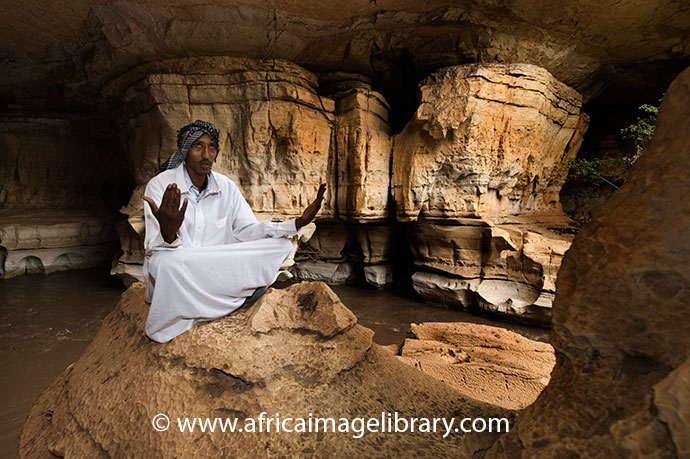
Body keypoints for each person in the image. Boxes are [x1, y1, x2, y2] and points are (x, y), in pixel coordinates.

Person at [142, 120, 326, 343]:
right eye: (198, 146)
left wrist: (295, 223)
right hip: (182, 262)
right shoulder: (160, 185)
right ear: (184, 150)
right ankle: (234, 295)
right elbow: (153, 246)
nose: (206, 155)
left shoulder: (226, 186)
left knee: (281, 245)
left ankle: (211, 296)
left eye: (212, 147)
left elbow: (248, 229)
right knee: (165, 263)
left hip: (215, 262)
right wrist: (168, 233)